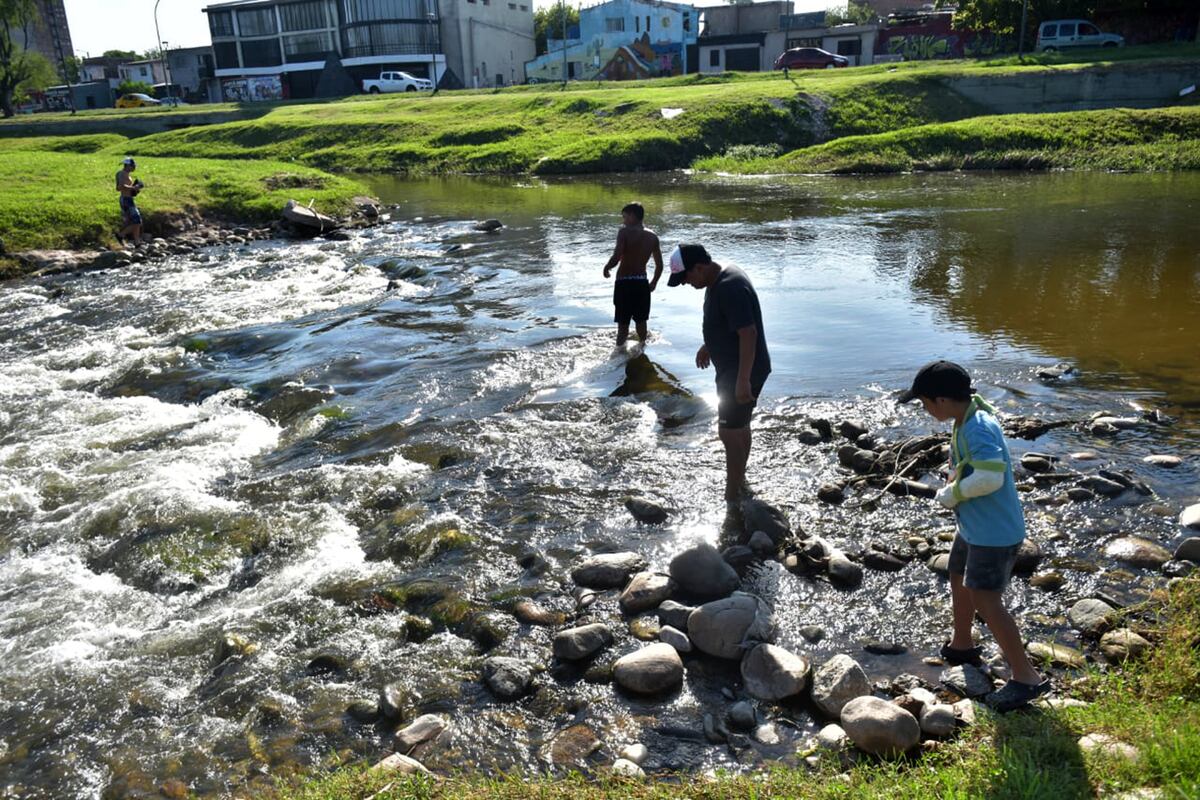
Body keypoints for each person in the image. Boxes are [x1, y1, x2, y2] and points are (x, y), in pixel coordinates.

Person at [898, 360, 1050, 712]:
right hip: (974, 527)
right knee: (957, 575)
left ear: (941, 401)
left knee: (987, 600)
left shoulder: (978, 427)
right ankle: (962, 643)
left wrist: (953, 494)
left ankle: (1026, 677)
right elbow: (973, 466)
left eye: (924, 403)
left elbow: (989, 479)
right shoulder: (968, 413)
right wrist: (956, 475)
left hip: (993, 533)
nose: (923, 409)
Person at [666, 244, 771, 504]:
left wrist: (743, 379)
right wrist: (709, 345)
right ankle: (740, 483)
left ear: (699, 268)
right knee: (739, 427)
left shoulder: (729, 286)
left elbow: (748, 333)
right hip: (736, 367)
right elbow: (730, 322)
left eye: (686, 278)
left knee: (729, 433)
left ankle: (732, 495)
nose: (685, 284)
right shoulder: (719, 276)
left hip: (740, 370)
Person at [602, 202, 663, 346]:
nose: (623, 221)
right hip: (642, 283)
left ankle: (618, 354)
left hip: (624, 283)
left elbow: (617, 256)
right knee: (641, 322)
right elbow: (659, 265)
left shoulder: (624, 232)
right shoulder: (653, 236)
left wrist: (607, 267)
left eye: (625, 217)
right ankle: (642, 350)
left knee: (623, 325)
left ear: (632, 216)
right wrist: (654, 282)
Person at [116, 157, 144, 245]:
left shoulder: (127, 175)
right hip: (125, 200)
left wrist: (135, 190)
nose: (134, 168)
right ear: (128, 165)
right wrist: (133, 187)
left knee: (136, 221)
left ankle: (137, 242)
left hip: (129, 199)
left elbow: (126, 188)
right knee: (137, 221)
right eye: (133, 166)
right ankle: (121, 235)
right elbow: (120, 187)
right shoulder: (121, 174)